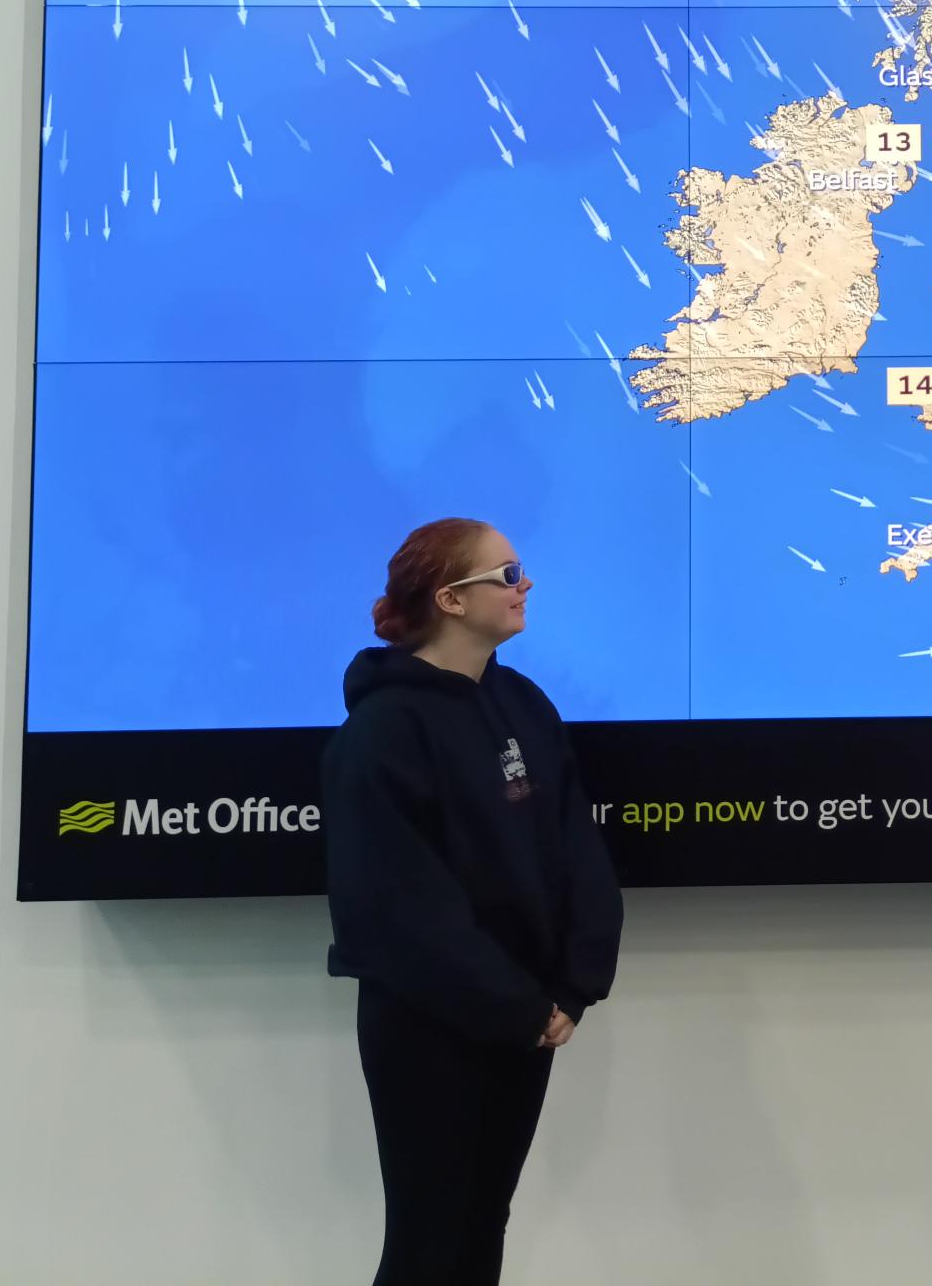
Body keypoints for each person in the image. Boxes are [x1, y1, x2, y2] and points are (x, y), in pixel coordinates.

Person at [323, 517, 624, 1286]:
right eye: (508, 573)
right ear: (452, 599)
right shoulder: (383, 730)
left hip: (526, 1018)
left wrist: (570, 989)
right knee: (430, 1235)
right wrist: (516, 1006)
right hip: (432, 1023)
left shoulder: (522, 702)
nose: (526, 587)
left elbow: (574, 848)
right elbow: (399, 908)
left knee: (484, 1222)